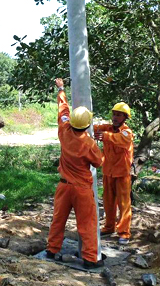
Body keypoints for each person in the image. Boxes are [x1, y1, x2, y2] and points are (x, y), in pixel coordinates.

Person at [46, 78, 104, 269]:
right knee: (86, 224)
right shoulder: (88, 144)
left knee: (58, 219)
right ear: (87, 124)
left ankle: (52, 250)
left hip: (63, 186)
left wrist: (61, 89)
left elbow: (63, 110)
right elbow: (99, 162)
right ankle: (89, 258)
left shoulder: (64, 130)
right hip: (81, 189)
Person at [94, 102, 133, 245]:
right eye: (114, 114)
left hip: (122, 174)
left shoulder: (126, 132)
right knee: (108, 202)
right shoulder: (108, 128)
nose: (115, 117)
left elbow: (121, 140)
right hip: (108, 172)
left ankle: (124, 232)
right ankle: (109, 227)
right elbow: (94, 128)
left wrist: (104, 136)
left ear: (124, 117)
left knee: (124, 204)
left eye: (119, 115)